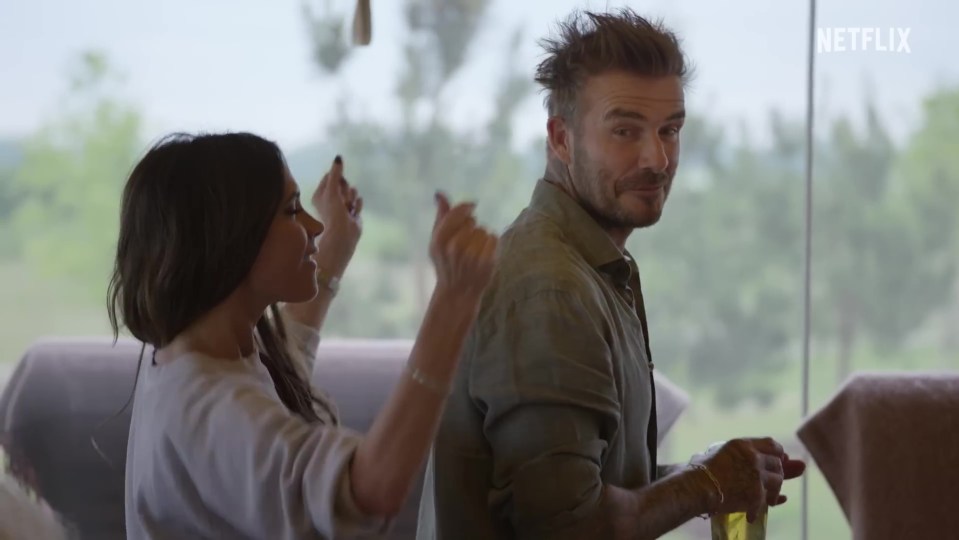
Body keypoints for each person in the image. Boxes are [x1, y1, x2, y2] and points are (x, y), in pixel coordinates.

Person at [417, 9, 806, 540]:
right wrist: (706, 483)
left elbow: (592, 489)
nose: (658, 158)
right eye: (625, 130)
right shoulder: (550, 290)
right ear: (561, 138)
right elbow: (567, 528)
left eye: (671, 130)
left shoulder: (585, 266)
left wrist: (714, 472)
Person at [108, 132, 498, 539]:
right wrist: (454, 300)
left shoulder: (196, 355)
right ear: (232, 237)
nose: (315, 225)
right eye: (293, 211)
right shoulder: (209, 410)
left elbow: (283, 367)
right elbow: (366, 492)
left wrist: (333, 251)